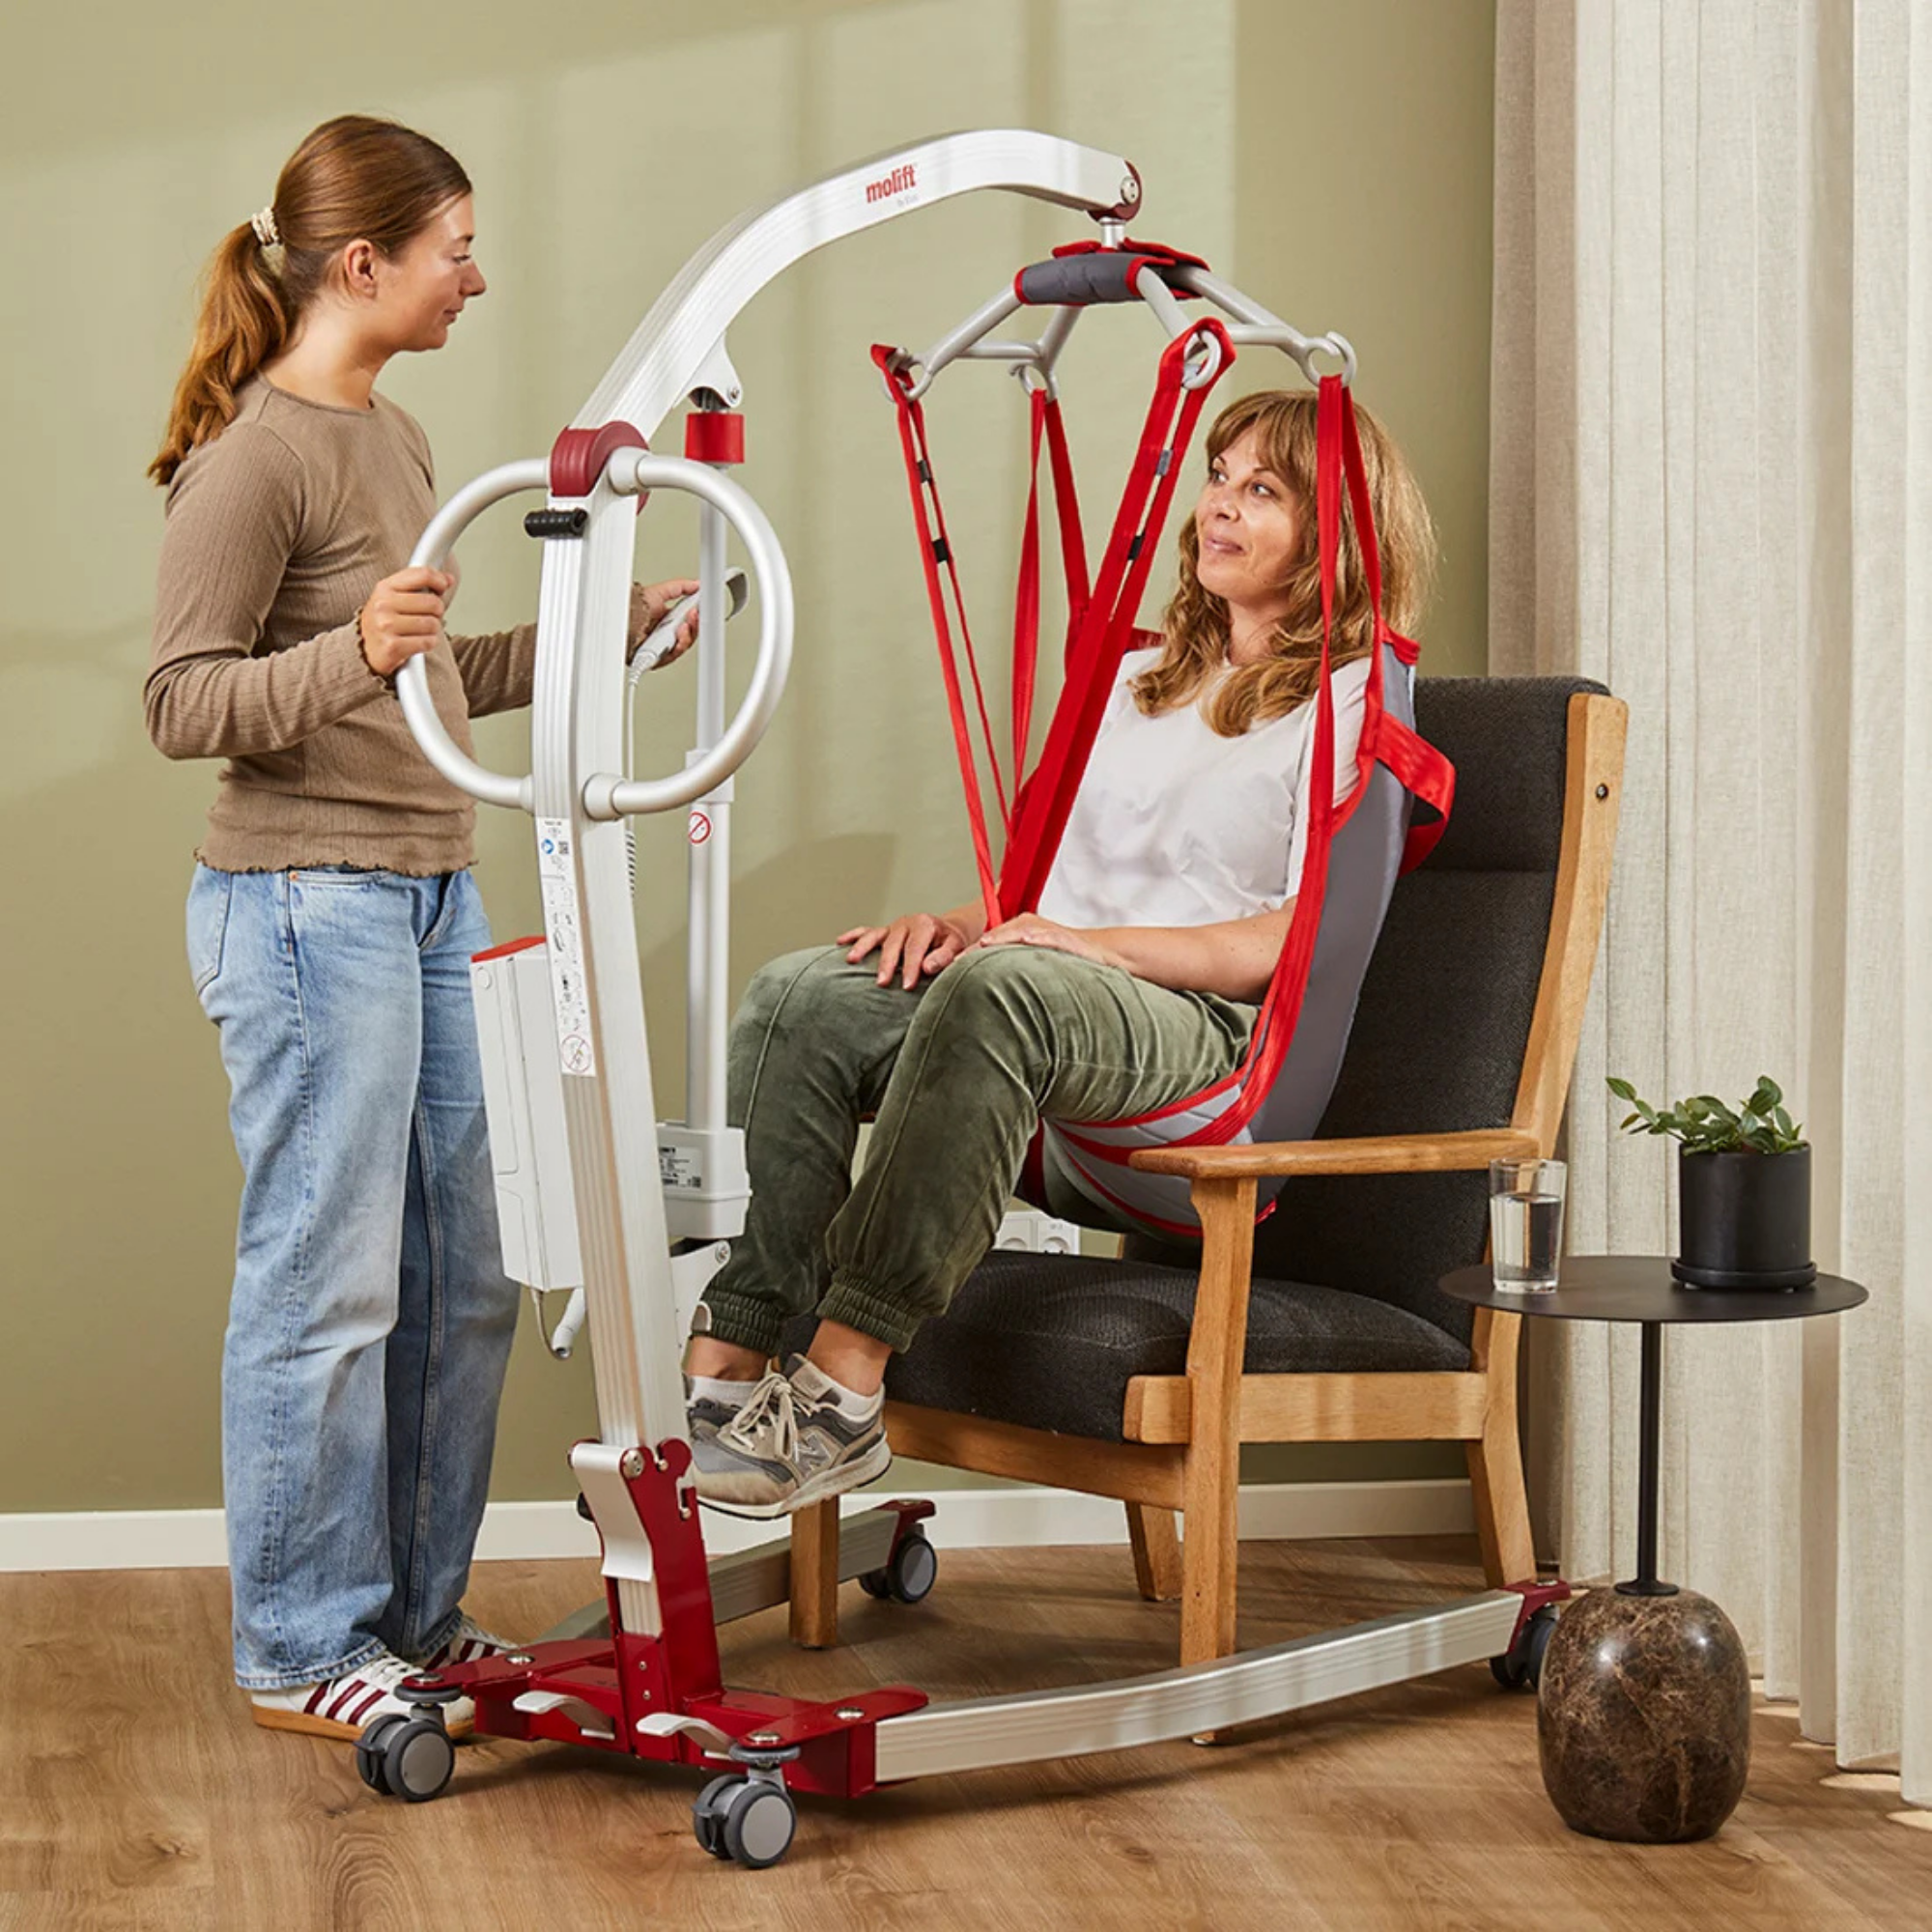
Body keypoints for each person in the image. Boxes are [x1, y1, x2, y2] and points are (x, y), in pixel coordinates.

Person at [146, 114, 699, 1741]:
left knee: (462, 1276)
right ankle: (302, 1639)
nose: (479, 274)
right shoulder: (257, 454)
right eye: (457, 246)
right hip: (303, 905)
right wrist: (363, 656)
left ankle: (407, 1615)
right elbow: (185, 702)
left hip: (432, 890)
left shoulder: (394, 436)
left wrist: (605, 638)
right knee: (326, 1286)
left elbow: (426, 677)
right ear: (366, 261)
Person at [683, 385, 1436, 1517]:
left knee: (1008, 990)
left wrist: (1075, 950)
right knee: (800, 997)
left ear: (1334, 529)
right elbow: (1048, 896)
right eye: (1217, 476)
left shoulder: (1348, 706)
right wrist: (961, 927)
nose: (1218, 507)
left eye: (1262, 489)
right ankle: (736, 1351)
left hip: (1209, 1055)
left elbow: (1290, 944)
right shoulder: (1136, 681)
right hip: (1044, 1008)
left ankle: (840, 1387)